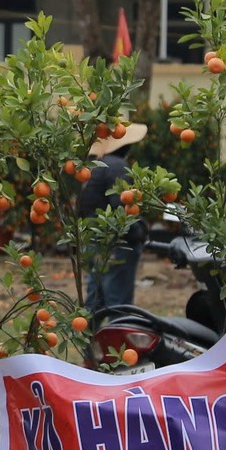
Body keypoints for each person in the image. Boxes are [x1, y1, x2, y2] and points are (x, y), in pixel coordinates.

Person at [79, 122, 149, 313]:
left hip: (96, 242)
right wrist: (139, 232)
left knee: (96, 301)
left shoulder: (96, 167)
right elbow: (123, 208)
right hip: (116, 244)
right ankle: (118, 343)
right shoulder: (117, 167)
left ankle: (86, 341)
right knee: (119, 304)